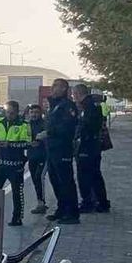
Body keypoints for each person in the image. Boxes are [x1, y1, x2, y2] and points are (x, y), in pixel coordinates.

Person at [0, 100, 33, 226]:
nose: (9, 115)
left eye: (12, 113)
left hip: (15, 165)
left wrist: (10, 144)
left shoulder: (24, 125)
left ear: (17, 112)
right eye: (7, 112)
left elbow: (27, 143)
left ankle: (17, 217)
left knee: (17, 192)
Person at [44, 78, 81, 224]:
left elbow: (68, 127)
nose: (52, 88)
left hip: (62, 148)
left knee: (66, 180)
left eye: (56, 86)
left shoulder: (67, 105)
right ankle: (61, 209)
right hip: (52, 148)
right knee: (55, 180)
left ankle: (72, 213)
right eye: (52, 86)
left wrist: (50, 132)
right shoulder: (55, 105)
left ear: (64, 88)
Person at [74, 84, 111, 213]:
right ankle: (101, 202)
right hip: (93, 145)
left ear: (78, 93)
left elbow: (86, 126)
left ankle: (88, 202)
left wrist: (78, 137)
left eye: (74, 95)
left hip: (87, 146)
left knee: (85, 175)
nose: (74, 98)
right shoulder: (93, 105)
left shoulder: (88, 106)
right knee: (95, 175)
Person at [25, 103, 49, 214]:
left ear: (40, 114)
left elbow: (48, 134)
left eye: (36, 112)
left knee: (39, 177)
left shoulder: (44, 124)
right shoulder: (26, 125)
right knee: (35, 179)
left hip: (43, 156)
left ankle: (41, 203)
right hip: (31, 156)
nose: (34, 115)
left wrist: (41, 137)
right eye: (32, 112)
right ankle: (40, 201)